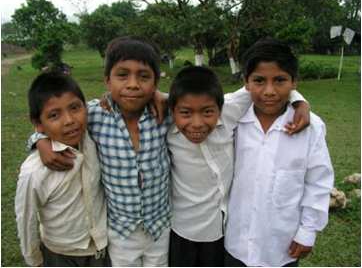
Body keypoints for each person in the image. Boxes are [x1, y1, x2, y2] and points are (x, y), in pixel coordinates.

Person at [28, 36, 172, 266]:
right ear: (107, 80)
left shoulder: (165, 114)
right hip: (120, 231)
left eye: (144, 77)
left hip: (160, 226)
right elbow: (57, 123)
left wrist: (162, 96)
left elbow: (195, 105)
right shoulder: (94, 115)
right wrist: (40, 141)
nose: (133, 84)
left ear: (155, 83)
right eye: (122, 75)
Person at [166, 66, 310, 267]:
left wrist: (299, 101)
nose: (197, 123)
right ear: (172, 111)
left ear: (220, 107)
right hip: (180, 230)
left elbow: (265, 83)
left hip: (221, 232)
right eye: (186, 113)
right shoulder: (163, 120)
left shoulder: (230, 110)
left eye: (208, 112)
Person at [224, 38, 334, 267]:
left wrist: (308, 231)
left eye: (280, 80)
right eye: (259, 81)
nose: (269, 91)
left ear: (295, 82)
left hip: (280, 248)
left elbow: (318, 182)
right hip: (235, 242)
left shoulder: (311, 127)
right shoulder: (233, 118)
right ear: (246, 82)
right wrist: (298, 99)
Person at [15, 72, 109, 267]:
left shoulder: (91, 138)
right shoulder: (34, 172)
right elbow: (26, 219)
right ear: (38, 125)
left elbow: (111, 100)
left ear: (85, 108)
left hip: (102, 247)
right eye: (54, 115)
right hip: (60, 253)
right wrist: (35, 261)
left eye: (75, 108)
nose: (69, 120)